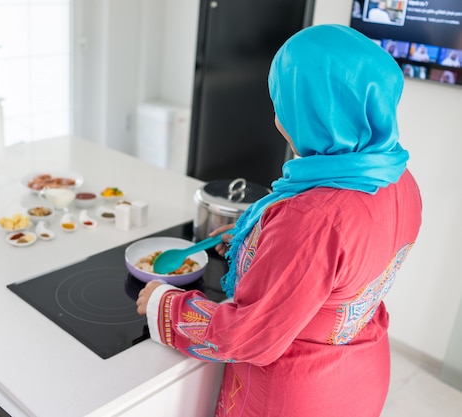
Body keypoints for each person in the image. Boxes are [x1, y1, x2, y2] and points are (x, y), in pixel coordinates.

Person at [136, 24, 422, 417]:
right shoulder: (398, 178)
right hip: (360, 376)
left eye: (284, 100)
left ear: (314, 111)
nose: (277, 115)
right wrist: (261, 240)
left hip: (296, 395)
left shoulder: (314, 217)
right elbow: (343, 273)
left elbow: (247, 337)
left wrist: (164, 305)